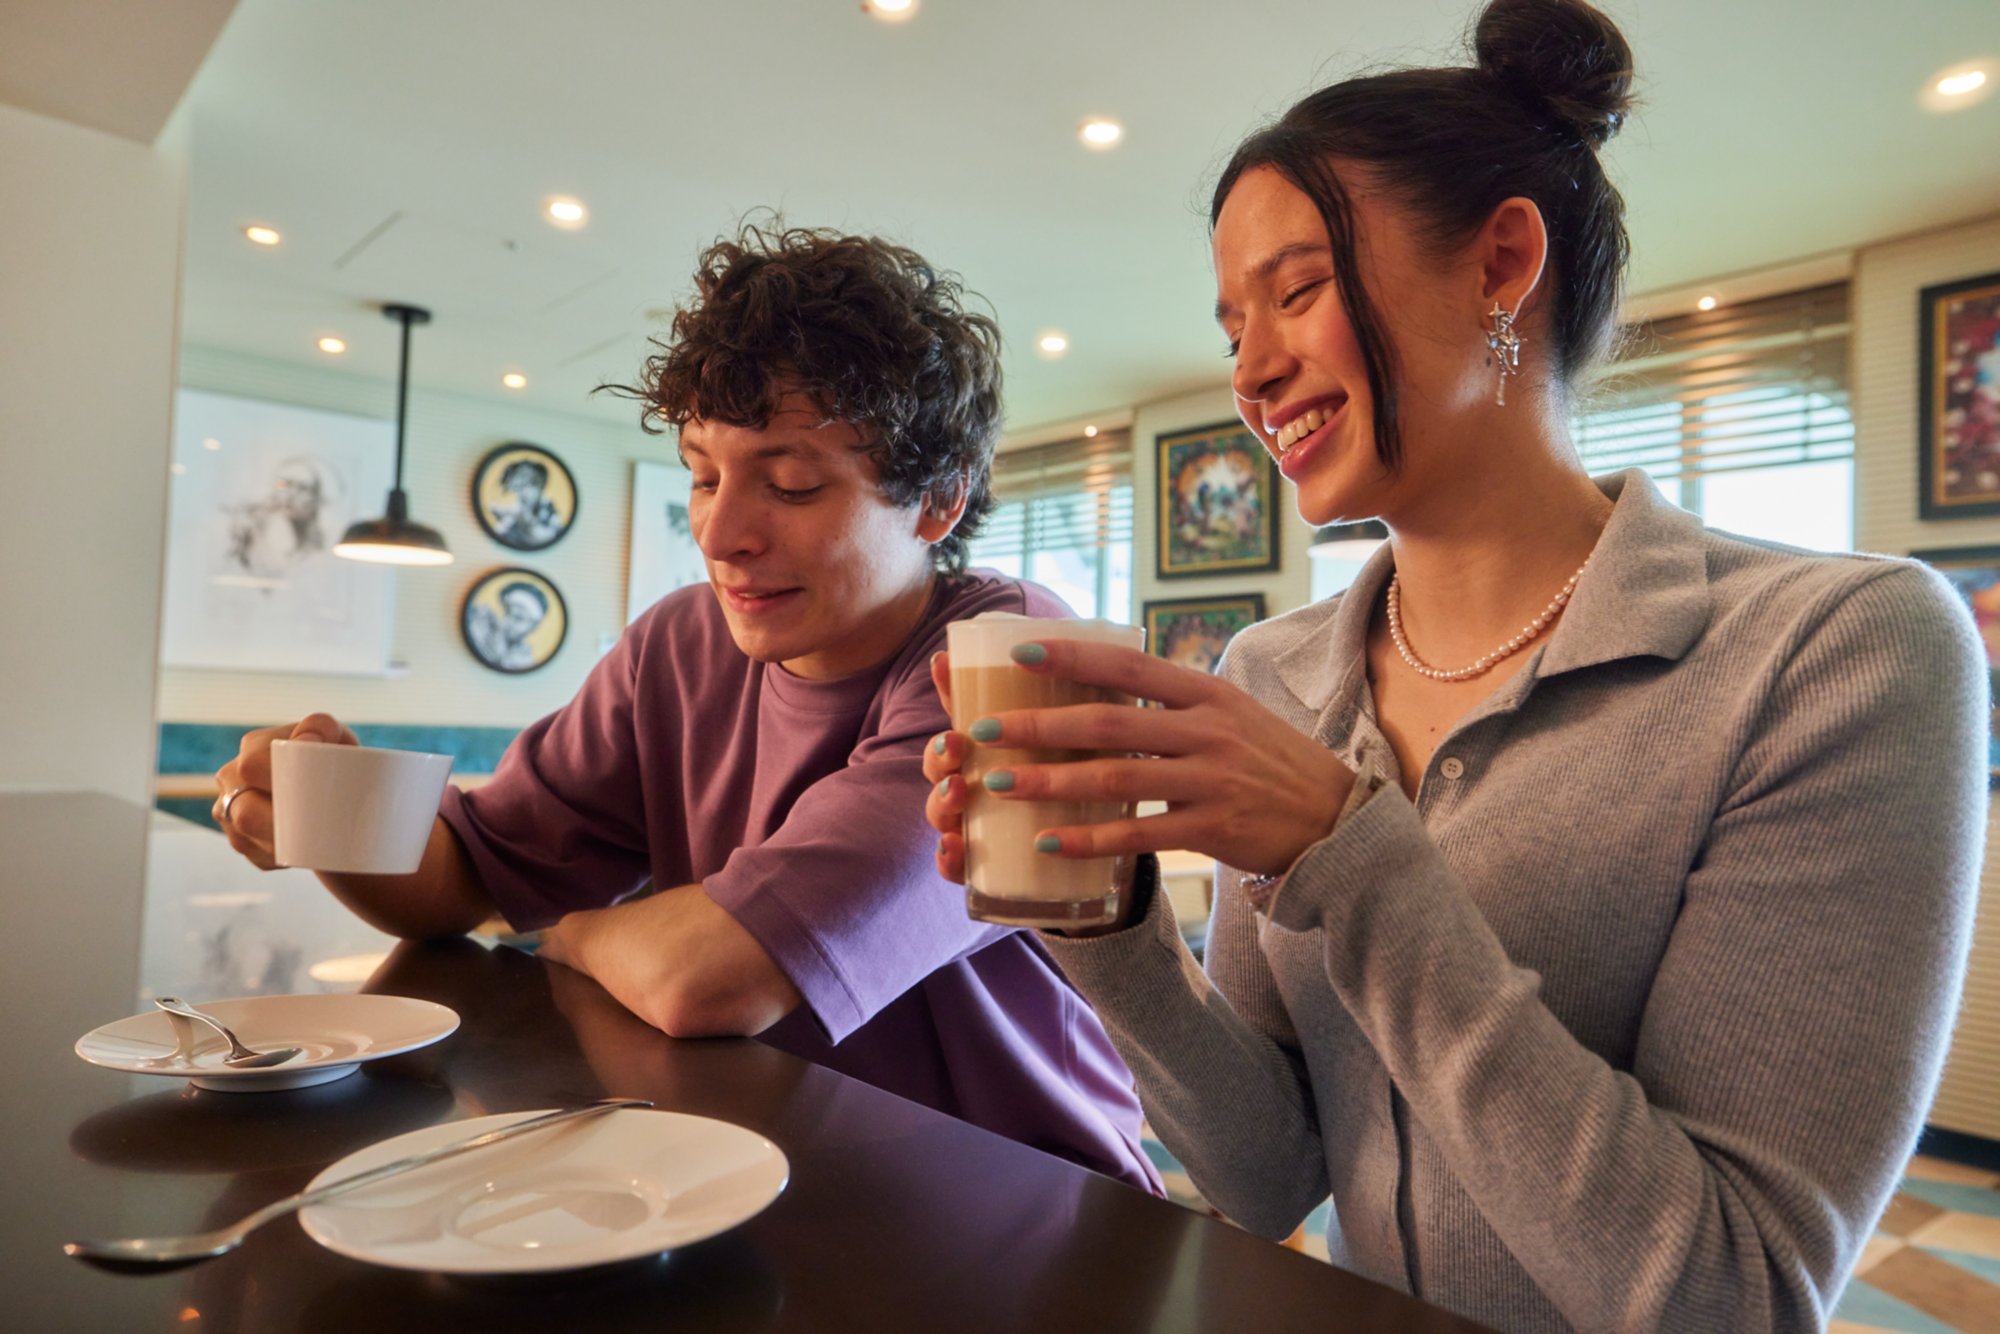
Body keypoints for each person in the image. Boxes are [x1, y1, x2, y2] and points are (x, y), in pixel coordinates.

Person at [923, 2, 1986, 1328]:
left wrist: (1346, 850)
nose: (1250, 371)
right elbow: (1263, 1173)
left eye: (1296, 290)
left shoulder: (1835, 652)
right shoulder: (1279, 668)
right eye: (1229, 325)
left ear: (1501, 263)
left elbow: (1735, 1295)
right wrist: (1099, 918)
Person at [212, 223, 1161, 1193]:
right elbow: (468, 876)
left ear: (937, 501)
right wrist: (333, 812)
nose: (718, 529)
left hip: (1029, 1206)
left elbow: (710, 978)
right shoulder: (677, 644)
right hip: (759, 1175)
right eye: (702, 473)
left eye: (790, 483)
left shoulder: (1012, 662)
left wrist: (571, 930)